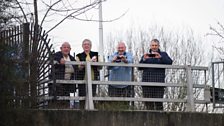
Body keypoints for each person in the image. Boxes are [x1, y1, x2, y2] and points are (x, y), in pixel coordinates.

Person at [139, 39, 173, 110]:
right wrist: (144, 59)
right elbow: (139, 67)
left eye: (155, 45)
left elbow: (170, 62)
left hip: (159, 84)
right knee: (148, 105)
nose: (154, 47)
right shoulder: (146, 55)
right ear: (150, 46)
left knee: (159, 104)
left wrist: (160, 58)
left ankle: (161, 120)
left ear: (158, 46)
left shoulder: (163, 54)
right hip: (147, 83)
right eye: (152, 45)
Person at [49, 42, 76, 108]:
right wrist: (59, 59)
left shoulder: (72, 58)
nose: (66, 49)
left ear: (70, 49)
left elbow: (76, 68)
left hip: (67, 85)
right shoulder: (57, 55)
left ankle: (66, 116)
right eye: (64, 47)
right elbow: (51, 57)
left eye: (68, 47)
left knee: (66, 102)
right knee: (55, 103)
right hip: (57, 85)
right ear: (61, 48)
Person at [107, 42, 133, 109]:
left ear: (125, 48)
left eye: (122, 48)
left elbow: (130, 61)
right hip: (113, 85)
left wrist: (125, 60)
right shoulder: (112, 55)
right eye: (119, 48)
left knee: (126, 106)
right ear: (117, 48)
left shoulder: (129, 55)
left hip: (126, 85)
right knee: (112, 106)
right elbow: (108, 67)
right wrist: (113, 60)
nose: (120, 49)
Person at [76, 39, 100, 109]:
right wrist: (89, 61)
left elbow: (101, 66)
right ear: (82, 46)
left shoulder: (96, 55)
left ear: (91, 46)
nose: (86, 46)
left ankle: (92, 113)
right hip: (82, 80)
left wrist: (96, 62)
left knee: (92, 97)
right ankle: (82, 112)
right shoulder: (78, 56)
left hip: (93, 80)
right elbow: (78, 67)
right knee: (82, 97)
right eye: (85, 44)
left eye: (88, 44)